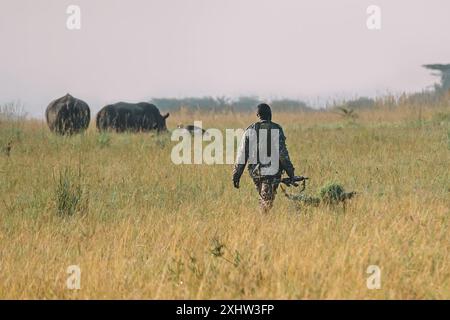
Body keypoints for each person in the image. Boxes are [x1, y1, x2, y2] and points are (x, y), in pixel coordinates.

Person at [232, 103, 295, 213]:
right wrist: (291, 173)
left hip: (255, 173)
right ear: (270, 115)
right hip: (271, 172)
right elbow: (282, 154)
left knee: (265, 198)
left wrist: (236, 175)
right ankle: (262, 224)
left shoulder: (249, 130)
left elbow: (242, 155)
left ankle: (262, 224)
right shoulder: (276, 129)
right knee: (266, 202)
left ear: (257, 115)